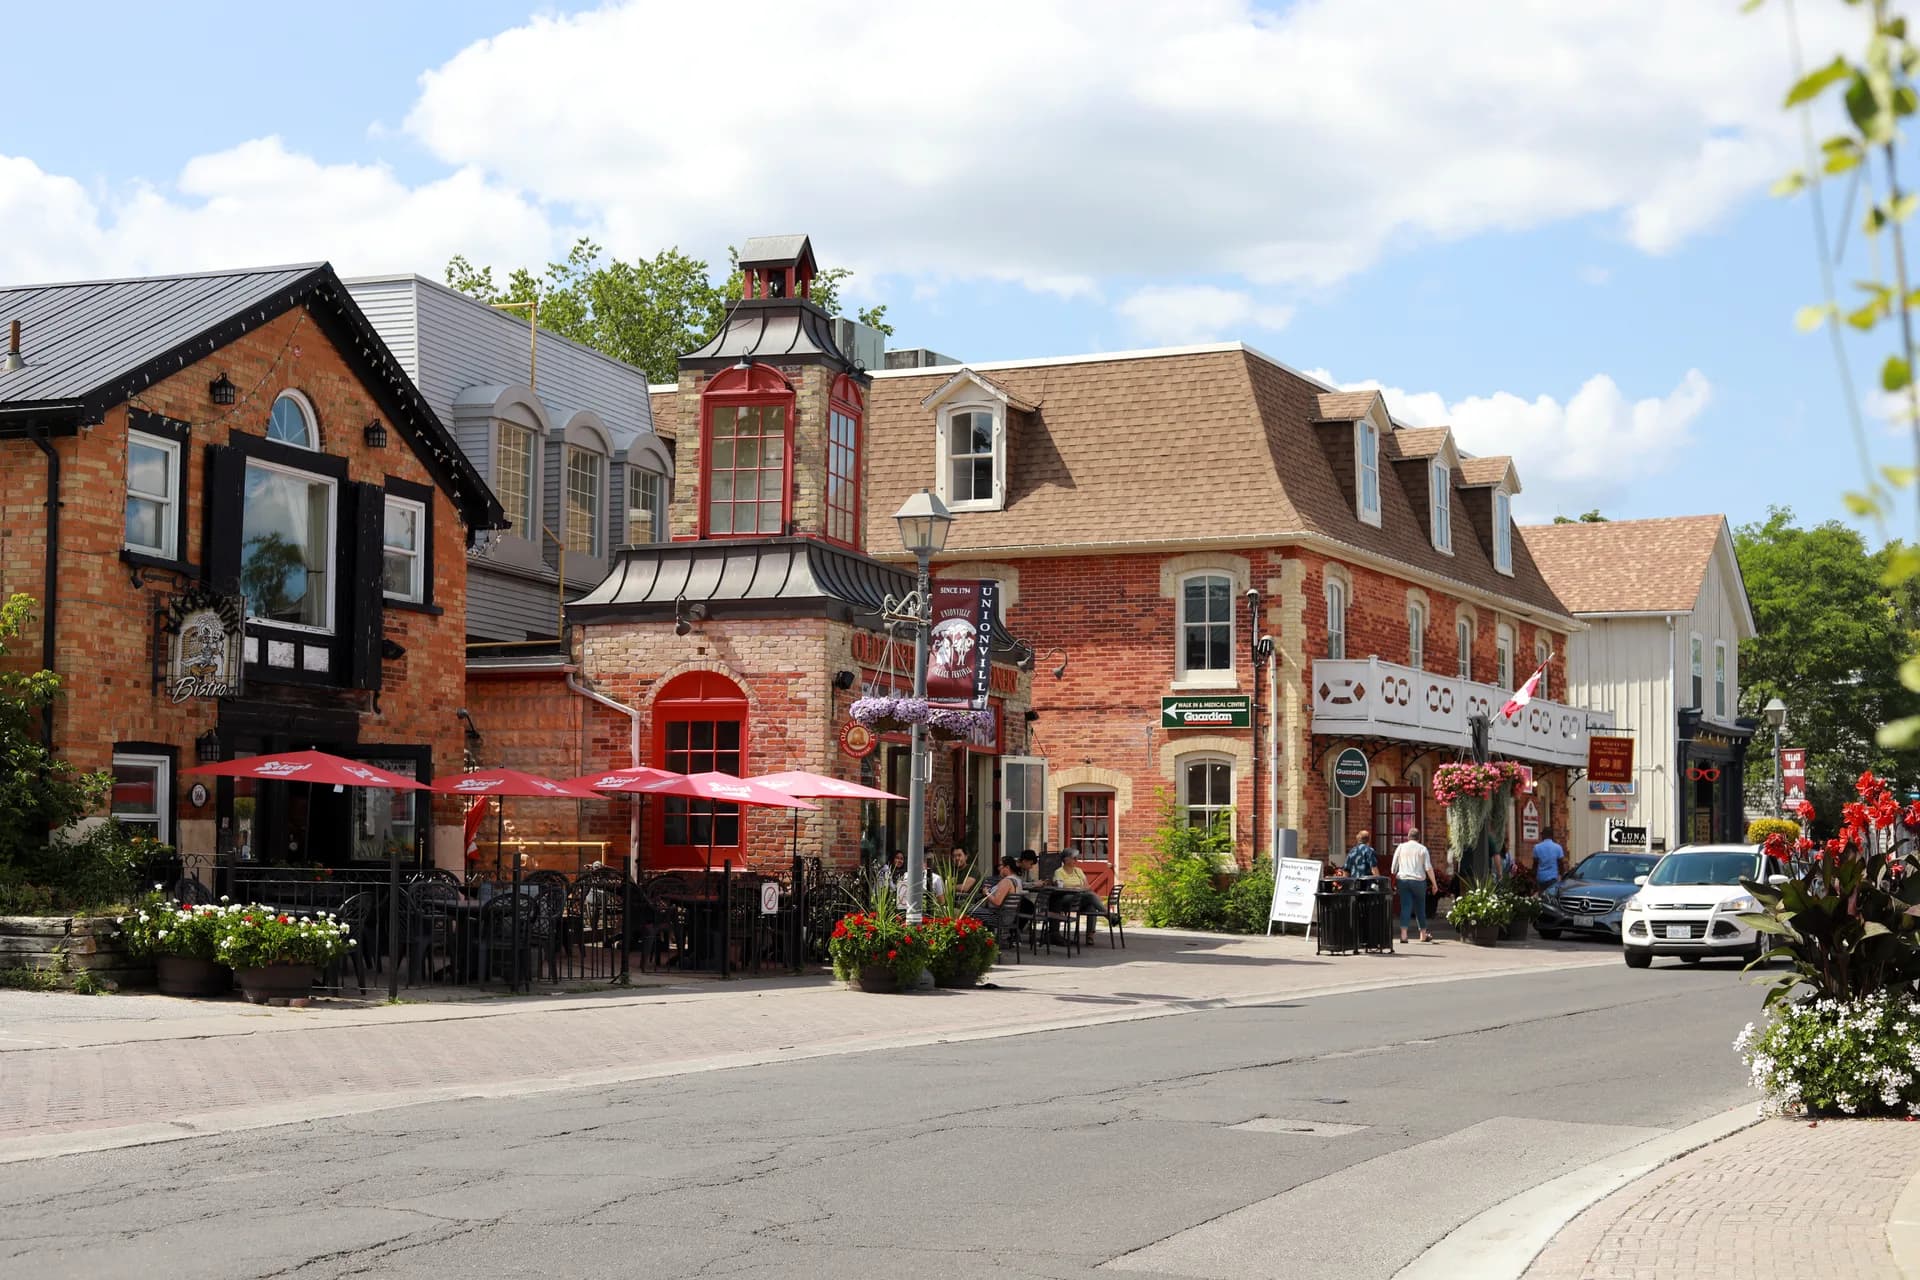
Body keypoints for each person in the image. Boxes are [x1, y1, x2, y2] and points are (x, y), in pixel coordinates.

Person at [1391, 827, 1438, 944]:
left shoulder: (1400, 847)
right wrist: (1434, 883)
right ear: (1419, 838)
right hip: (1418, 881)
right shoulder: (1422, 849)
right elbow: (1428, 868)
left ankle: (1403, 935)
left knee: (1405, 906)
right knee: (1420, 907)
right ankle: (1422, 934)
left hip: (1403, 880)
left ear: (1408, 837)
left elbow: (1393, 868)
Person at [967, 854, 1025, 939]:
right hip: (1010, 917)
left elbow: (997, 902)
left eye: (1000, 865)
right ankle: (988, 939)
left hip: (999, 917)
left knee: (968, 910)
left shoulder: (1006, 882)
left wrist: (986, 892)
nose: (998, 868)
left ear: (1007, 867)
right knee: (975, 909)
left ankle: (978, 940)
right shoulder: (1017, 880)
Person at [1052, 848, 1106, 938]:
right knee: (1090, 896)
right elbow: (1060, 886)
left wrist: (1078, 887)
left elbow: (1087, 886)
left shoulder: (1078, 871)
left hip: (1080, 899)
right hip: (1066, 899)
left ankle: (1090, 936)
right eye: (1073, 858)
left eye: (1076, 858)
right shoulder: (1059, 872)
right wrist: (1076, 887)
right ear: (1066, 859)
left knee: (1091, 907)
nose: (1076, 860)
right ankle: (1107, 914)